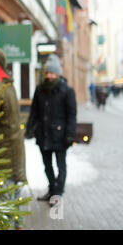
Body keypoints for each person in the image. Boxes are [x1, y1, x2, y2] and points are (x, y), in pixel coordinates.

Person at [0, 48, 27, 229]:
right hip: (15, 149)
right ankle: (18, 225)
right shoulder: (7, 83)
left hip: (1, 152)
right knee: (14, 196)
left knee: (4, 200)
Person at [25, 54, 76, 203]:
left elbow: (71, 115)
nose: (49, 76)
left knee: (60, 165)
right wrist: (29, 129)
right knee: (47, 166)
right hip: (43, 134)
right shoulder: (40, 89)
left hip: (60, 135)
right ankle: (52, 189)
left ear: (58, 73)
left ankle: (57, 193)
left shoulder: (67, 91)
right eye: (47, 73)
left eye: (52, 73)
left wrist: (69, 135)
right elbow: (34, 111)